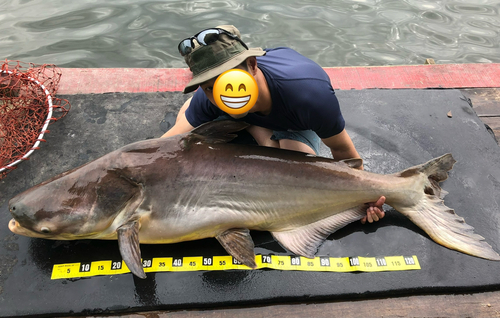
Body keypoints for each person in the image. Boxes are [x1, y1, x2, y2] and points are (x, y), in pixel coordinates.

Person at [163, 25, 385, 224]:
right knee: (186, 117)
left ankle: (253, 125)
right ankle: (251, 123)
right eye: (209, 87)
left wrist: (364, 198)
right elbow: (166, 146)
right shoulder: (211, 97)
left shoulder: (308, 96)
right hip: (248, 109)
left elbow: (342, 150)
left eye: (228, 80)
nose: (223, 94)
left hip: (290, 118)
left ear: (252, 65)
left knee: (295, 178)